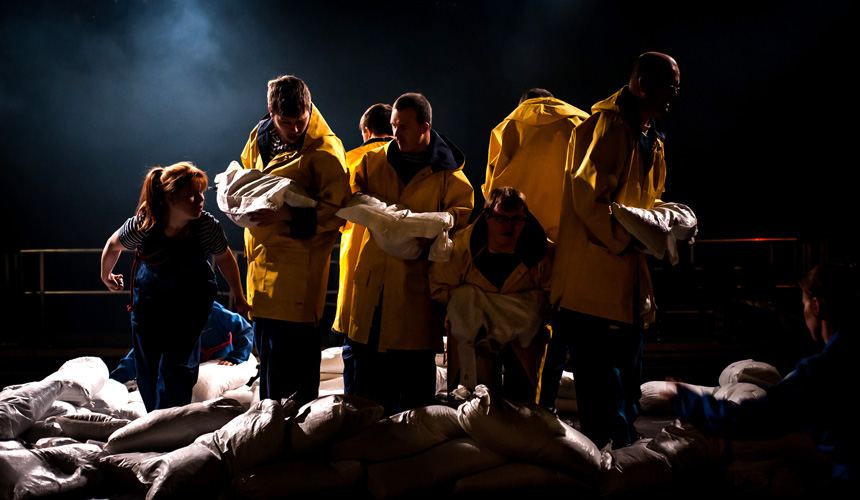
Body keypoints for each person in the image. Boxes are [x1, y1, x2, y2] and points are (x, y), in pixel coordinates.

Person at [544, 52, 681, 449]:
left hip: (624, 287)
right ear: (641, 85)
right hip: (594, 289)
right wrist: (633, 239)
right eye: (669, 85)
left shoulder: (649, 137)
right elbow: (589, 201)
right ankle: (607, 460)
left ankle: (623, 452)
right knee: (603, 388)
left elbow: (645, 205)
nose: (674, 94)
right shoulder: (609, 129)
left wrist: (663, 227)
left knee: (626, 382)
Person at [666, 264, 859, 489]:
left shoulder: (822, 370)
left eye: (804, 304)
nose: (804, 312)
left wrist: (685, 400)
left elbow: (755, 419)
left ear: (816, 305)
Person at [345, 92, 474, 415]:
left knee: (415, 402)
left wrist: (438, 235)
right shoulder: (374, 162)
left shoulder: (448, 173)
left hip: (415, 296)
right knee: (368, 403)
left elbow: (463, 213)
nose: (395, 133)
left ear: (424, 127)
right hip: (373, 295)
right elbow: (349, 192)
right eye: (392, 125)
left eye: (402, 126)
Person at [100, 162, 250, 412]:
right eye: (192, 194)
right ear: (170, 197)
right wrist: (106, 275)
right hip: (150, 301)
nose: (200, 199)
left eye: (202, 193)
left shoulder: (205, 226)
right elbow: (113, 245)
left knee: (178, 364)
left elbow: (224, 258)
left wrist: (239, 295)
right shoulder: (144, 224)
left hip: (191, 302)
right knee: (147, 365)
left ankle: (170, 419)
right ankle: (154, 418)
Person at [239, 75, 350, 406]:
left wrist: (288, 214)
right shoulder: (258, 138)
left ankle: (298, 441)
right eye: (286, 122)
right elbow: (247, 179)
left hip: (297, 279)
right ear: (271, 111)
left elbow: (340, 210)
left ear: (309, 107)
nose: (294, 129)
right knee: (269, 365)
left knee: (296, 374)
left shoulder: (326, 149)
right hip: (259, 272)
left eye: (300, 121)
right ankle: (267, 434)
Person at [430, 187, 551, 402]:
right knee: (472, 401)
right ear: (487, 217)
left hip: (522, 337)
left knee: (521, 402)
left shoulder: (541, 254)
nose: (510, 225)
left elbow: (552, 295)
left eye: (516, 219)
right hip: (473, 333)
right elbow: (439, 286)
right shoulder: (461, 248)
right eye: (502, 218)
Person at [333, 103, 394, 395]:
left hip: (359, 270)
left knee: (358, 355)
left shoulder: (349, 161)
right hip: (401, 275)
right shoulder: (411, 160)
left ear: (366, 131)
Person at [483, 89, 589, 242]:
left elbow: (490, 190)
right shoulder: (578, 124)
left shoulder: (503, 130)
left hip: (519, 234)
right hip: (570, 234)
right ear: (553, 103)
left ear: (521, 108)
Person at [110, 300, 255, 384]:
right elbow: (142, 351)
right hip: (187, 362)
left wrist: (236, 357)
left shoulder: (212, 310)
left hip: (220, 358)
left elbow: (244, 329)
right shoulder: (167, 317)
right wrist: (115, 380)